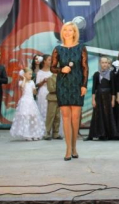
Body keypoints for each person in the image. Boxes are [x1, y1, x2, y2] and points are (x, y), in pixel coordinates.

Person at [51, 22, 89, 161]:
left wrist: (84, 85)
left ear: (75, 33)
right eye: (65, 30)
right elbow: (52, 68)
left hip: (77, 85)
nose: (67, 32)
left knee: (75, 117)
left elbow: (85, 68)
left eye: (70, 30)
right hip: (63, 85)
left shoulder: (81, 48)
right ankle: (68, 148)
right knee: (66, 117)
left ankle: (74, 147)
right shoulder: (58, 49)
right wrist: (61, 69)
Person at [9, 68, 45, 141]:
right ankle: (26, 134)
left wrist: (35, 90)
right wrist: (24, 79)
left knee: (33, 117)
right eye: (29, 74)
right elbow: (22, 87)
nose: (31, 76)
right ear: (24, 74)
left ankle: (34, 133)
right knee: (26, 117)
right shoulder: (21, 82)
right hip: (25, 101)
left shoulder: (32, 82)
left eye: (31, 74)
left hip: (31, 101)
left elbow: (34, 92)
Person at [87, 56, 117, 140]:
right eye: (103, 63)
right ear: (100, 63)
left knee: (107, 114)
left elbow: (113, 88)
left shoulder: (111, 74)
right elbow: (94, 88)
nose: (104, 64)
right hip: (99, 97)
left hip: (108, 97)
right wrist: (93, 99)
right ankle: (100, 133)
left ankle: (108, 134)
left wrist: (113, 100)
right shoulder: (96, 74)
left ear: (108, 64)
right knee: (98, 115)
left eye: (106, 63)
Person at [36, 54, 55, 137]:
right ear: (44, 61)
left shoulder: (53, 72)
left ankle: (54, 131)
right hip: (43, 92)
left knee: (52, 111)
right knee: (44, 110)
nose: (51, 61)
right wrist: (43, 81)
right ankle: (44, 131)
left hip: (52, 91)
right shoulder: (40, 72)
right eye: (49, 60)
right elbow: (37, 84)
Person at [44, 73, 62, 140]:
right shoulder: (50, 78)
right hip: (52, 98)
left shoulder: (61, 78)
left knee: (57, 116)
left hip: (59, 98)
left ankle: (55, 133)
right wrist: (59, 87)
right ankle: (47, 132)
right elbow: (51, 89)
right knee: (50, 116)